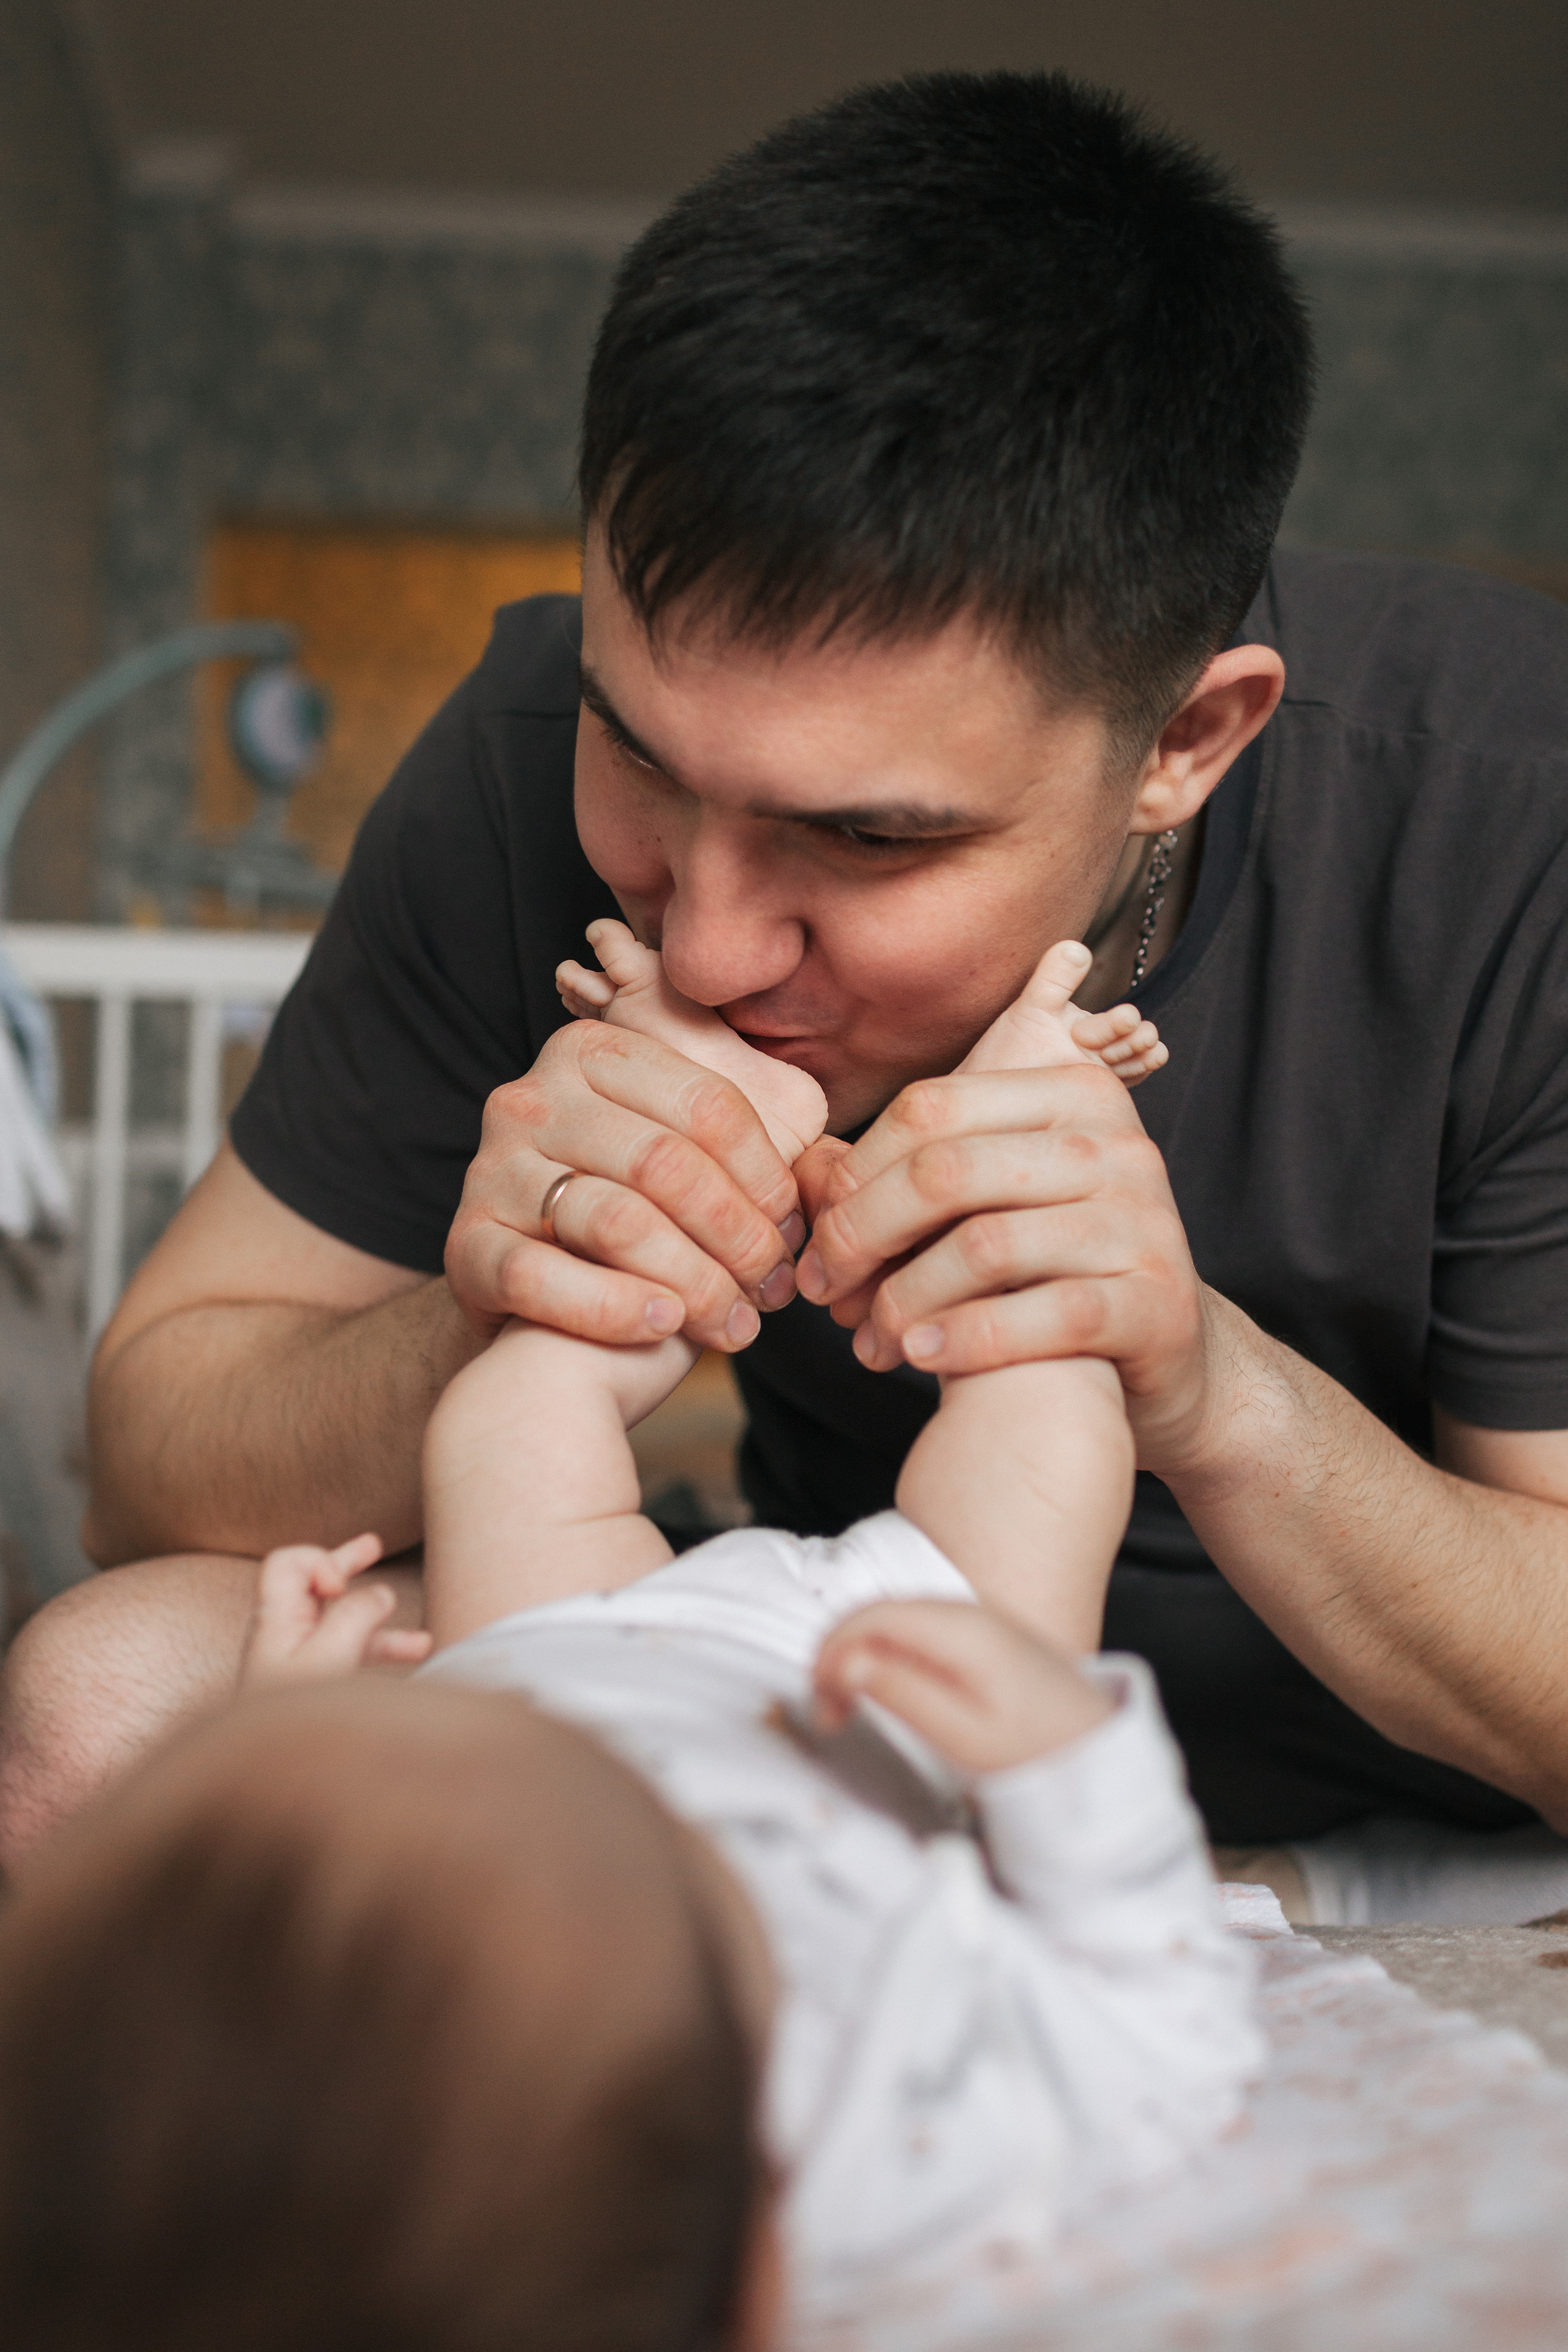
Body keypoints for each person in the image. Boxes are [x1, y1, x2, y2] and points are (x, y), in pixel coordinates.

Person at [7, 69, 1568, 1898]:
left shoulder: (1511, 811)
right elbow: (142, 1472)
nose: (707, 946)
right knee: (93, 1706)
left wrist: (1213, 1390)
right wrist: (497, 1302)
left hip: (1423, 1808)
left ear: (1188, 745)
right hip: (816, 1692)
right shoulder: (513, 755)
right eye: (643, 761)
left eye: (868, 842)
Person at [0, 942, 1256, 2349]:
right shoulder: (885, 2145)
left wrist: (282, 1723)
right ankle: (1022, 1117)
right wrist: (1063, 1765)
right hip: (878, 1698)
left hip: (534, 1665)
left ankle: (678, 1130)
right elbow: (1160, 2033)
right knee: (1043, 1424)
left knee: (504, 1422)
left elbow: (233, 1948)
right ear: (767, 2286)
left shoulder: (288, 2127)